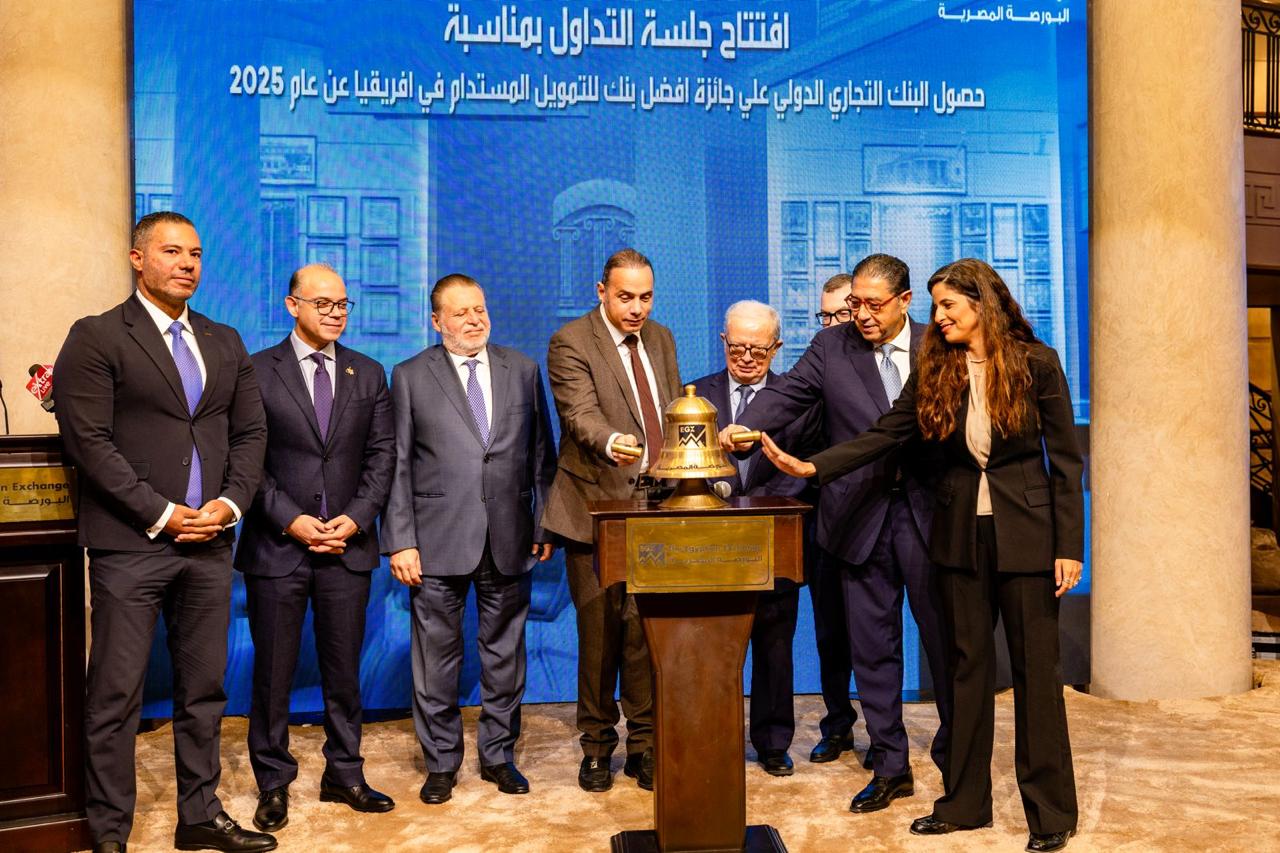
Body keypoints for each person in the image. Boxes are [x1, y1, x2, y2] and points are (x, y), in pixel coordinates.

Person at [761, 258, 1082, 853]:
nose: (938, 317)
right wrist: (813, 467)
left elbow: (1065, 461)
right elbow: (886, 432)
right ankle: (964, 803)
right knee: (966, 672)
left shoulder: (1037, 363)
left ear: (981, 304)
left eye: (948, 306)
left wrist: (1069, 547)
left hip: (1029, 538)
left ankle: (1050, 812)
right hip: (959, 536)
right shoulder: (938, 365)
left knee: (1036, 676)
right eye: (935, 306)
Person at [52, 212, 273, 853]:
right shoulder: (96, 336)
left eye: (195, 254)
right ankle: (109, 831)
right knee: (116, 694)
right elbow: (89, 442)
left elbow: (250, 433)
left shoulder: (224, 339)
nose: (187, 264)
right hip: (132, 544)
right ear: (137, 258)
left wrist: (229, 505)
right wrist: (160, 512)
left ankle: (199, 817)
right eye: (172, 252)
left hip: (211, 543)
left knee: (204, 691)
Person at [722, 254, 952, 814]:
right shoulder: (831, 347)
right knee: (873, 651)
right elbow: (787, 396)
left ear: (904, 301)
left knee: (947, 644)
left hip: (930, 517)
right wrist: (745, 425)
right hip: (858, 517)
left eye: (875, 305)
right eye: (855, 304)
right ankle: (891, 765)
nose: (863, 315)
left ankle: (957, 753)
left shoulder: (938, 345)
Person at [233, 263, 396, 832]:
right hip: (278, 547)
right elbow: (246, 461)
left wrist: (355, 518)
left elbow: (382, 457)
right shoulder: (255, 370)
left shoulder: (368, 372)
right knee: (272, 675)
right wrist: (292, 520)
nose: (335, 313)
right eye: (323, 303)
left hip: (347, 547)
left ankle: (344, 773)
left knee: (344, 671)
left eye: (342, 304)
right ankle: (273, 782)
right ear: (292, 305)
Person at [383, 274, 557, 805]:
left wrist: (543, 523)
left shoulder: (522, 369)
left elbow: (542, 457)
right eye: (460, 313)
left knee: (505, 656)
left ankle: (499, 756)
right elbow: (397, 465)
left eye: (479, 309)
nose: (474, 319)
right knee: (436, 660)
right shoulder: (410, 376)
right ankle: (440, 763)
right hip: (435, 541)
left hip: (510, 536)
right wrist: (401, 540)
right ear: (437, 321)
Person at [540, 248, 682, 792]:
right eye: (625, 297)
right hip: (595, 507)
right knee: (600, 635)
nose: (637, 308)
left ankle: (644, 745)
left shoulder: (661, 338)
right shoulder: (572, 341)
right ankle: (597, 747)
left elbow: (671, 410)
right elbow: (579, 414)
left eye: (646, 297)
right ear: (601, 291)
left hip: (655, 508)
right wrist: (612, 440)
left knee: (644, 634)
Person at [689, 300, 823, 777]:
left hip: (774, 537)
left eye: (758, 350)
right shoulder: (695, 396)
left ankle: (772, 742)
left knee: (775, 645)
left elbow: (803, 467)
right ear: (723, 341)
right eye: (738, 347)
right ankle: (715, 737)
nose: (746, 358)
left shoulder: (798, 398)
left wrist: (759, 509)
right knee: (714, 649)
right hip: (710, 542)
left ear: (777, 347)